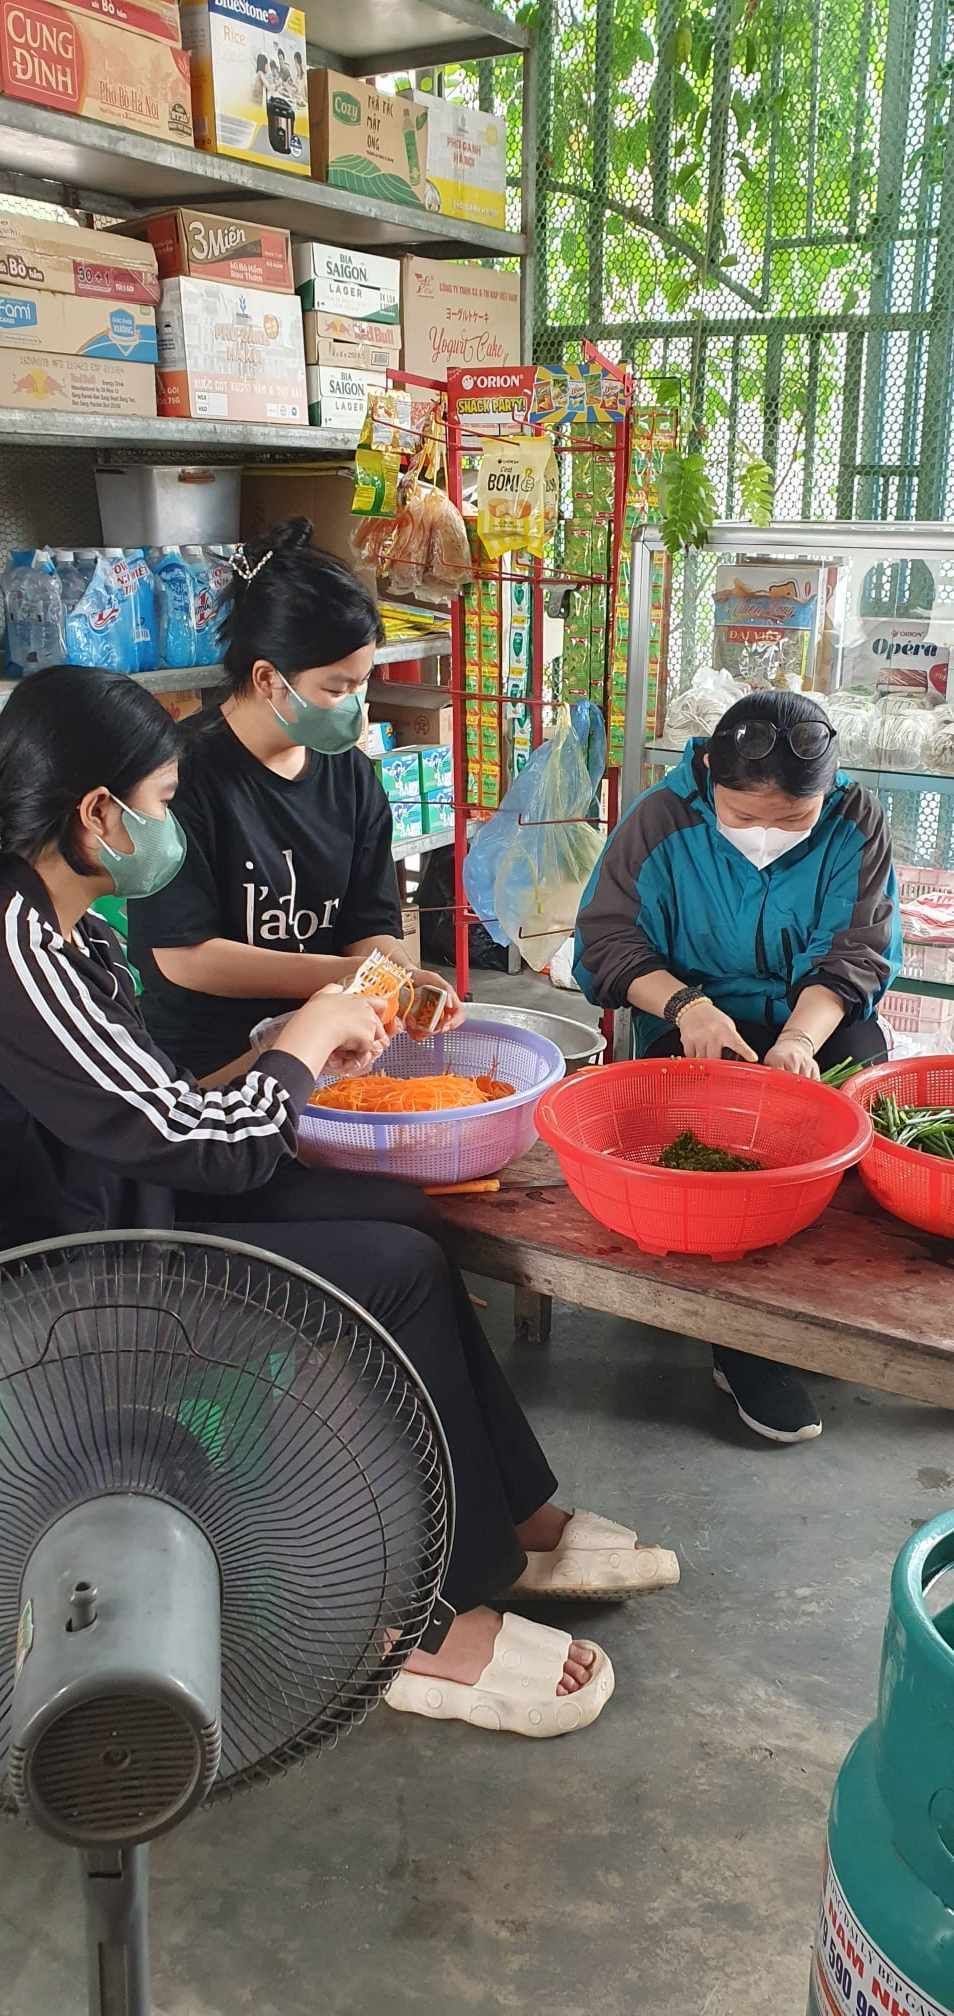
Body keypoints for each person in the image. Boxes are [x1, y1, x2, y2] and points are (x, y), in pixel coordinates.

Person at [0, 666, 671, 1741]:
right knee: (389, 1277)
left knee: (406, 1216)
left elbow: (156, 1103)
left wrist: (284, 1050)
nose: (168, 829)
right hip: (78, 1262)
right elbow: (202, 1147)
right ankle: (435, 1622)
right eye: (161, 804)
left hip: (135, 1182)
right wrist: (304, 1041)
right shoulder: (21, 943)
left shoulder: (76, 927)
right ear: (97, 814)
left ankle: (509, 1513)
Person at [574, 687, 902, 1446]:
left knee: (848, 1131)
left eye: (792, 820)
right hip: (692, 1017)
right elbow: (607, 942)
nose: (766, 836)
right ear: (709, 781)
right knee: (717, 1156)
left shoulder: (856, 820)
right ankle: (740, 1337)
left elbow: (856, 950)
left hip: (813, 1015)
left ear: (826, 794)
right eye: (744, 817)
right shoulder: (661, 818)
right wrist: (686, 1006)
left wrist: (799, 1042)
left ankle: (817, 1306)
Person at [128, 519, 462, 1081]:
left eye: (362, 684)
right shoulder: (180, 777)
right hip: (210, 1070)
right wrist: (343, 979)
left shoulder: (351, 774)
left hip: (327, 1056)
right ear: (267, 679)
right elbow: (184, 955)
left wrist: (403, 976)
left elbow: (368, 925)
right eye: (336, 688)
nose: (355, 706)